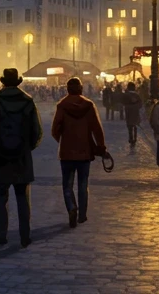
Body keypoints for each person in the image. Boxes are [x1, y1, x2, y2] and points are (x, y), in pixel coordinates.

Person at [0, 68, 42, 248]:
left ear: (3, 82)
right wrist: (28, 148)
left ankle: (2, 235)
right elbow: (37, 132)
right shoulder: (28, 102)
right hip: (21, 157)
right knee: (22, 197)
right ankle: (24, 235)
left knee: (0, 197)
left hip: (0, 157)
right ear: (18, 82)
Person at [50, 77, 107, 228]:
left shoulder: (62, 105)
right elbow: (97, 128)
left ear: (67, 89)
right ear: (81, 89)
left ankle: (71, 207)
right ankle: (82, 214)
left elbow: (55, 130)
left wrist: (63, 141)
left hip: (67, 152)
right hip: (85, 151)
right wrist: (101, 146)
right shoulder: (89, 105)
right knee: (83, 184)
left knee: (67, 185)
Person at [120, 82, 143, 151]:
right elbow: (140, 104)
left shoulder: (126, 95)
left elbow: (123, 103)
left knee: (129, 126)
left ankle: (131, 138)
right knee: (135, 126)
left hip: (128, 112)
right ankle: (134, 139)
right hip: (135, 112)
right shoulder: (137, 95)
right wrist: (136, 106)